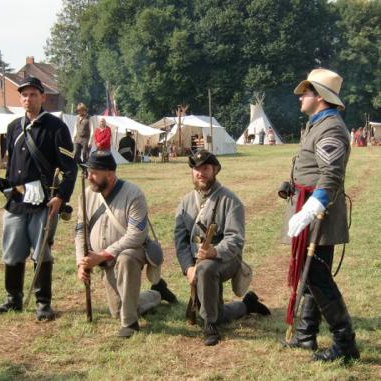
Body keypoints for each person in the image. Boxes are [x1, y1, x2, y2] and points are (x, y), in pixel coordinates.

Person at [281, 68, 359, 362]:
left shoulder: (331, 128)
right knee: (312, 273)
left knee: (316, 274)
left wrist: (311, 209)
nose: (301, 96)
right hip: (310, 206)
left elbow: (332, 175)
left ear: (320, 97)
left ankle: (345, 343)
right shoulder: (317, 124)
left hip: (319, 212)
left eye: (306, 91)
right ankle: (305, 335)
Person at [0, 76, 77, 321]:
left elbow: (70, 168)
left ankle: (43, 303)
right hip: (16, 199)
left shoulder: (56, 128)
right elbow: (11, 165)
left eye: (33, 95)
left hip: (43, 201)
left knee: (41, 254)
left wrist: (60, 197)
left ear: (42, 97)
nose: (28, 99)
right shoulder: (14, 127)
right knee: (12, 251)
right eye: (24, 95)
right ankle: (13, 298)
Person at [75, 150, 177, 337]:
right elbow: (81, 230)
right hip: (103, 261)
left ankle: (130, 323)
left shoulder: (133, 194)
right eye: (88, 171)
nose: (89, 176)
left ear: (110, 174)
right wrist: (81, 262)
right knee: (118, 310)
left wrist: (102, 255)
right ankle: (157, 293)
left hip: (131, 253)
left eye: (94, 172)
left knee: (126, 258)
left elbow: (136, 235)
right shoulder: (86, 195)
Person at [174, 149, 271, 346]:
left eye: (206, 168)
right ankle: (246, 306)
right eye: (196, 169)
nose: (201, 173)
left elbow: (235, 238)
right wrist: (188, 268)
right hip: (197, 262)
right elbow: (180, 239)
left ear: (215, 170)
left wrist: (214, 251)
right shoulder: (185, 202)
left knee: (206, 269)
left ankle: (210, 324)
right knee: (215, 305)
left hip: (226, 259)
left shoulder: (230, 200)